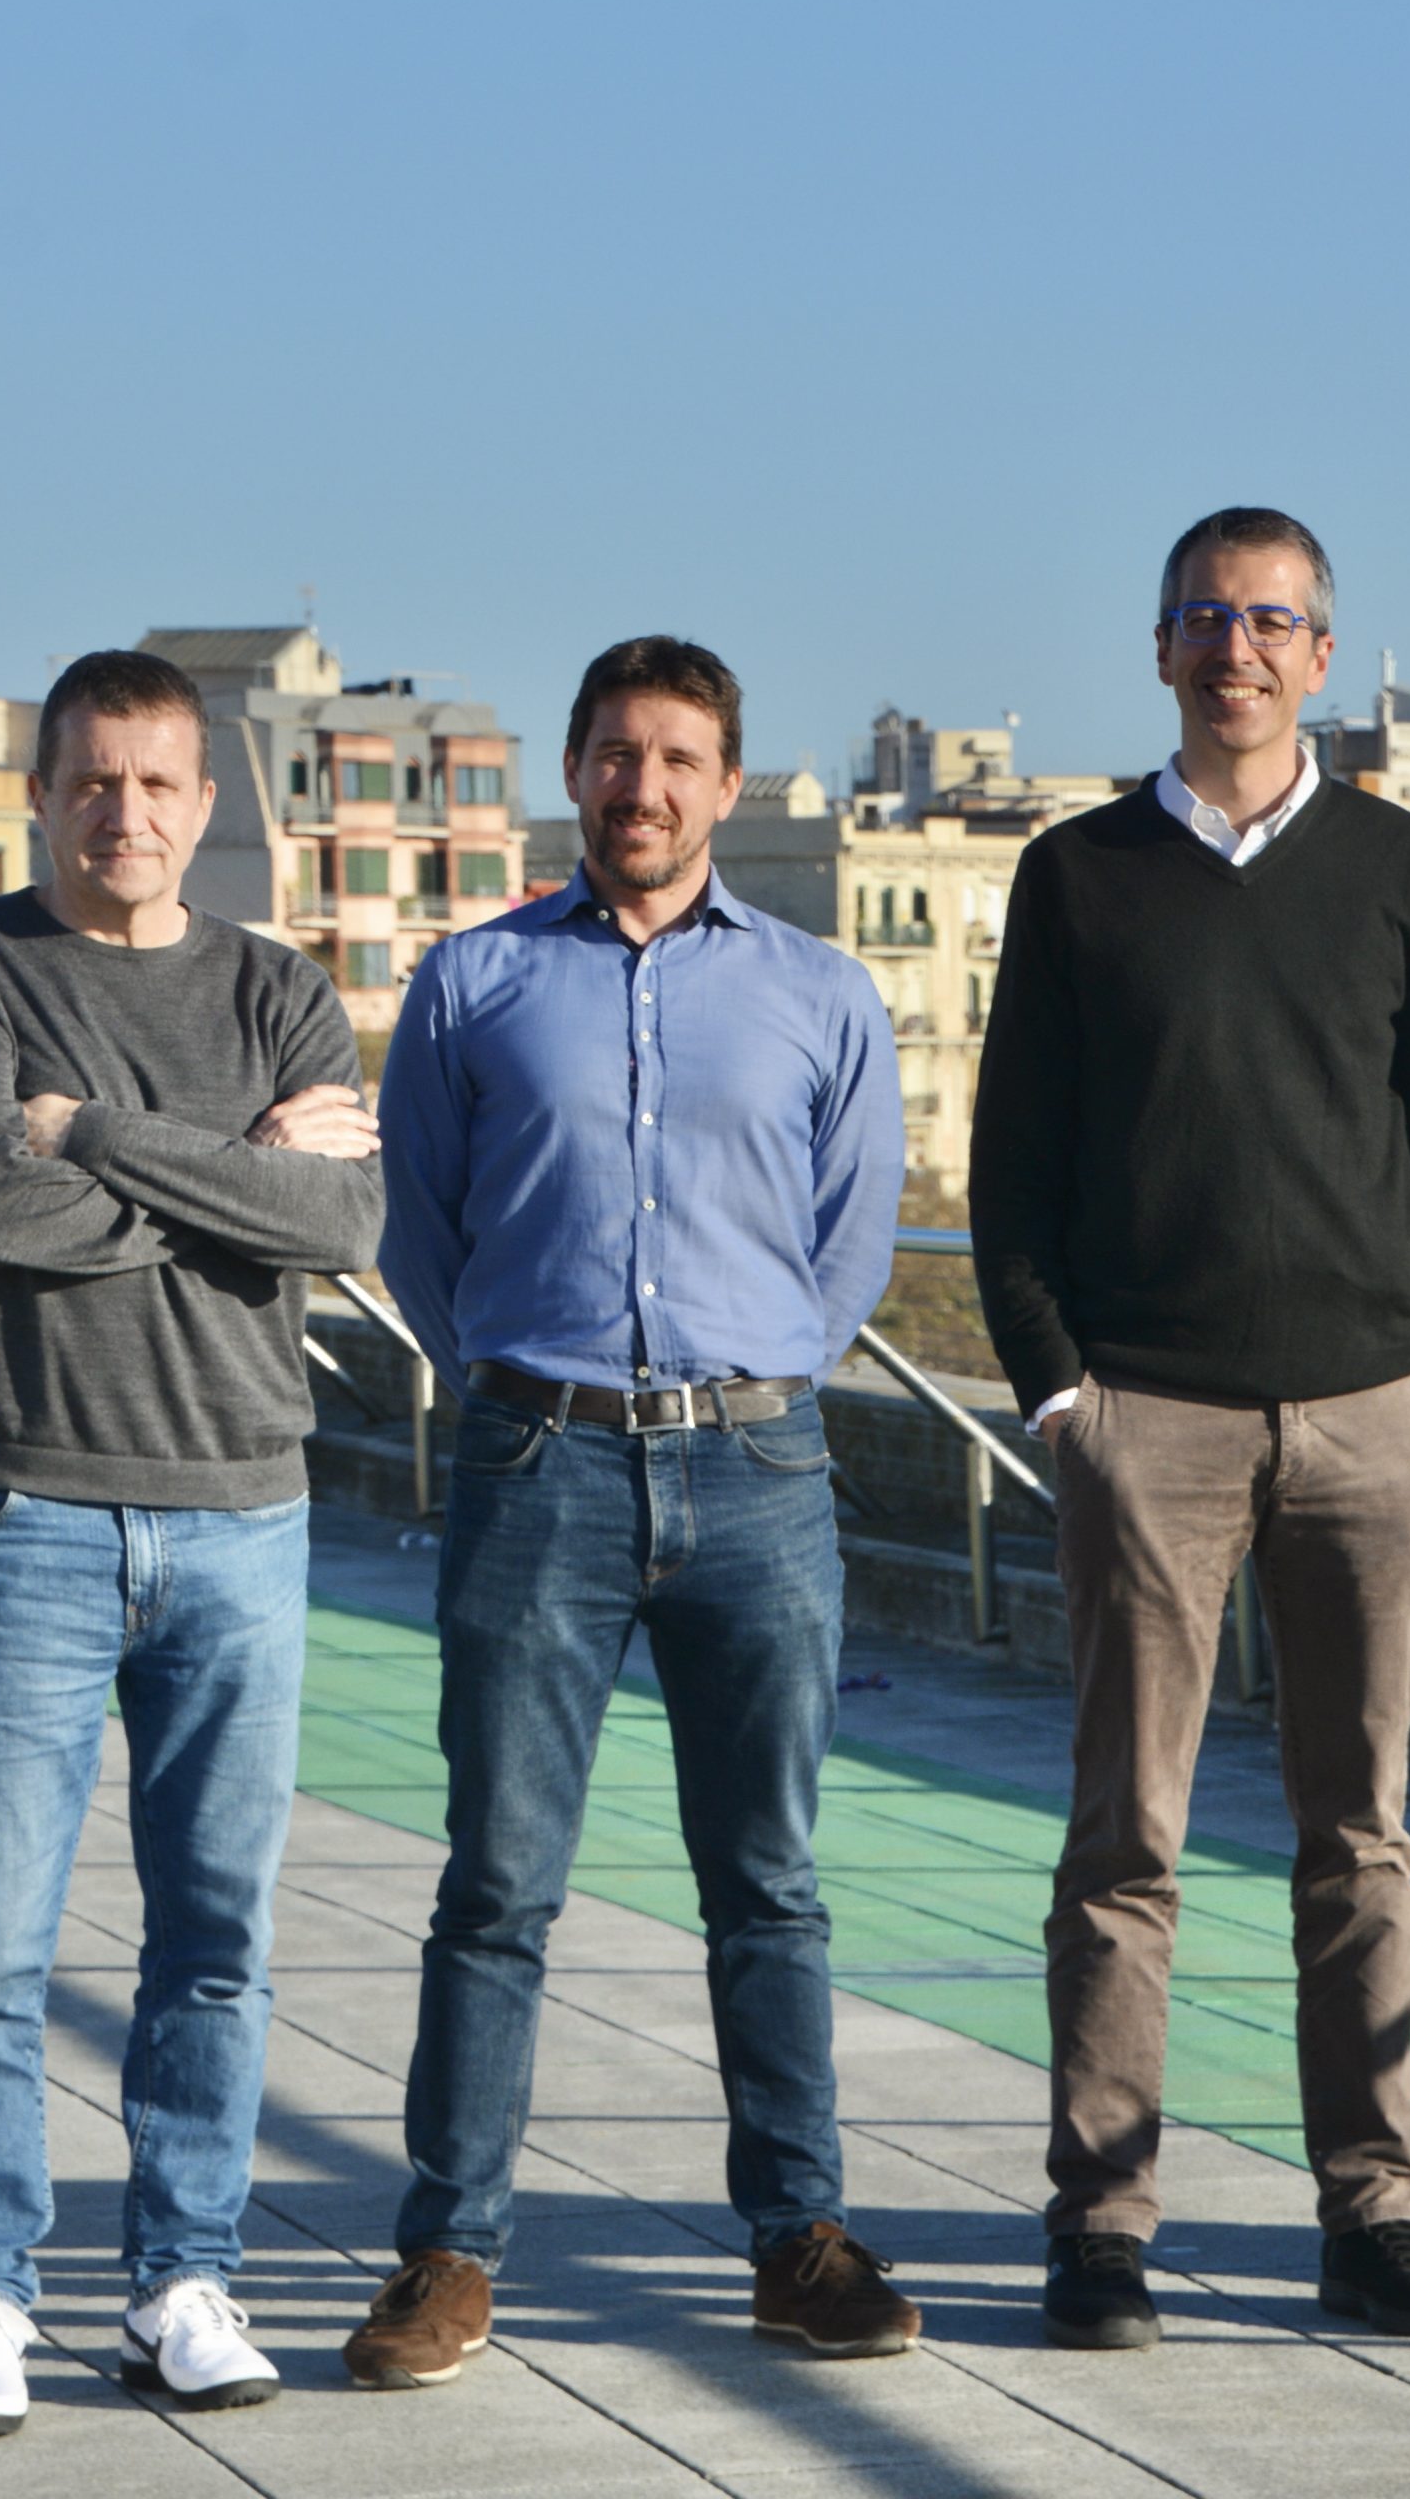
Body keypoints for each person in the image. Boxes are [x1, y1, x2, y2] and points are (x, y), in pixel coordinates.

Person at [350, 636, 911, 2388]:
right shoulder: (474, 982)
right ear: (573, 772)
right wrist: (527, 1389)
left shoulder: (823, 994)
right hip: (541, 1466)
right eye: (613, 754)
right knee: (497, 1883)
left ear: (728, 785)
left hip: (758, 1471)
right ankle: (449, 2253)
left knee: (770, 1884)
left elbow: (849, 1247)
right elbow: (421, 1235)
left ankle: (799, 2239)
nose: (641, 788)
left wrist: (749, 1384)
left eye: (676, 759)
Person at [970, 507, 1410, 2348]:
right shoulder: (1078, 873)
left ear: (1321, 655)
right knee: (1126, 1842)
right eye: (1206, 617)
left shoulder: (1400, 865)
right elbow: (1014, 1158)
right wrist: (1064, 1392)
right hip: (1154, 1417)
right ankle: (1102, 2225)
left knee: (1364, 1841)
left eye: (1271, 621)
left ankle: (1374, 2217)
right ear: (1161, 647)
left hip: (1375, 1415)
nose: (1238, 649)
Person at [0, 651, 383, 2437]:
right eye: (93, 781)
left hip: (243, 1521)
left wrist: (98, 1134)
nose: (125, 813)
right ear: (43, 794)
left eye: (159, 784)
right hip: (13, 1506)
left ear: (206, 804)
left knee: (215, 1937)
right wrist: (230, 1177)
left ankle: (183, 2279)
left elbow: (340, 1219)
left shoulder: (280, 986)